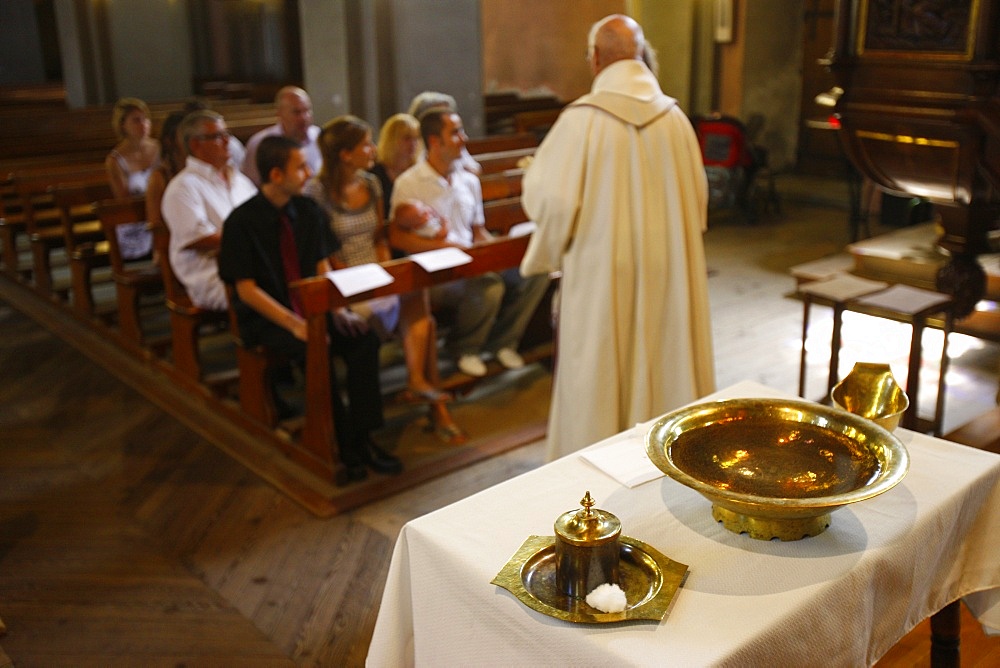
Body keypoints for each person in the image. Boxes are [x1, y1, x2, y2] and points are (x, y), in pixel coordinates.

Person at [520, 14, 715, 460]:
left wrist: (546, 248)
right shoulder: (676, 120)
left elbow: (551, 201)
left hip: (601, 274)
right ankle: (671, 464)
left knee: (599, 373)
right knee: (665, 360)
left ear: (595, 59)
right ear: (641, 55)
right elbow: (699, 206)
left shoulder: (581, 121)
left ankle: (593, 482)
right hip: (667, 271)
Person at [219, 135, 400, 484]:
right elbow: (247, 289)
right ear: (275, 174)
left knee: (364, 341)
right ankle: (336, 443)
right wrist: (295, 324)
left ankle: (365, 436)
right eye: (300, 166)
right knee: (316, 349)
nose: (309, 172)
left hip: (315, 309)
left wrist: (337, 312)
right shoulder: (241, 222)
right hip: (269, 318)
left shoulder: (307, 210)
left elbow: (322, 266)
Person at [305, 116, 466, 444]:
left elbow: (380, 236)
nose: (373, 149)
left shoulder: (372, 183)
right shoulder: (317, 191)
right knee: (426, 323)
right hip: (343, 281)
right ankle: (426, 397)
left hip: (374, 272)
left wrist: (387, 274)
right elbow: (325, 249)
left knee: (417, 295)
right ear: (345, 154)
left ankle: (418, 382)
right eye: (366, 144)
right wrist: (361, 283)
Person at [390, 108, 549, 378]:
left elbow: (478, 232)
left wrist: (500, 249)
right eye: (455, 132)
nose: (463, 138)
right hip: (434, 272)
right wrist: (448, 249)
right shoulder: (410, 183)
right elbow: (398, 237)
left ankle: (503, 343)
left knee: (535, 270)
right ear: (434, 141)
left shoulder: (469, 180)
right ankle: (465, 348)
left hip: (471, 261)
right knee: (488, 283)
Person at [160, 109, 257, 310]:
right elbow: (198, 238)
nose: (227, 141)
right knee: (276, 288)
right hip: (214, 276)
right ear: (196, 144)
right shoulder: (183, 187)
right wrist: (255, 239)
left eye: (226, 135)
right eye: (218, 136)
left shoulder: (239, 180)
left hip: (251, 265)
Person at [241, 86, 322, 185]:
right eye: (297, 112)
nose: (304, 118)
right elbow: (250, 184)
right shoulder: (260, 143)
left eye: (307, 111)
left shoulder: (319, 137)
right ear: (280, 114)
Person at [105, 97, 160, 199]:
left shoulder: (160, 148)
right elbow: (124, 200)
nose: (143, 124)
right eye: (136, 120)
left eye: (145, 119)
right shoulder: (115, 160)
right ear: (122, 125)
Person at [369, 113, 421, 216]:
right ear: (391, 139)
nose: (413, 144)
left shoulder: (420, 170)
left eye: (416, 138)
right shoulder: (375, 173)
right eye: (407, 138)